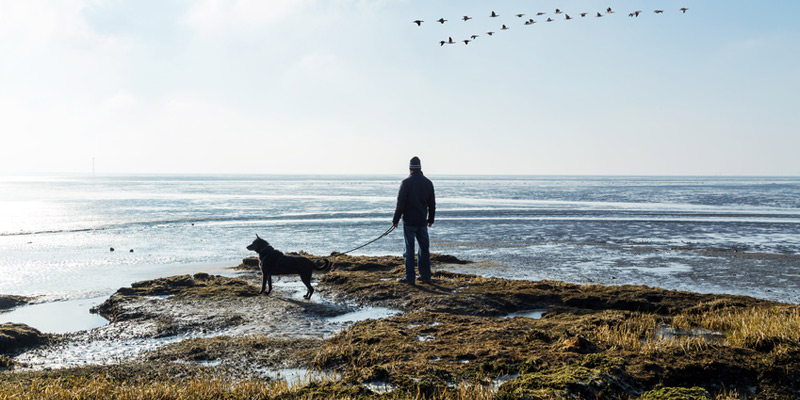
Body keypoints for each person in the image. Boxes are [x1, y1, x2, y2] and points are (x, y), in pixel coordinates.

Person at [392, 156, 436, 284]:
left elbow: (400, 204)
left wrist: (395, 220)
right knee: (424, 249)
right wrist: (431, 219)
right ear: (420, 168)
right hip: (422, 221)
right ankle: (425, 276)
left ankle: (410, 278)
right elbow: (432, 204)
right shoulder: (428, 183)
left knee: (409, 250)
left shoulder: (406, 183)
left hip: (409, 222)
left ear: (410, 168)